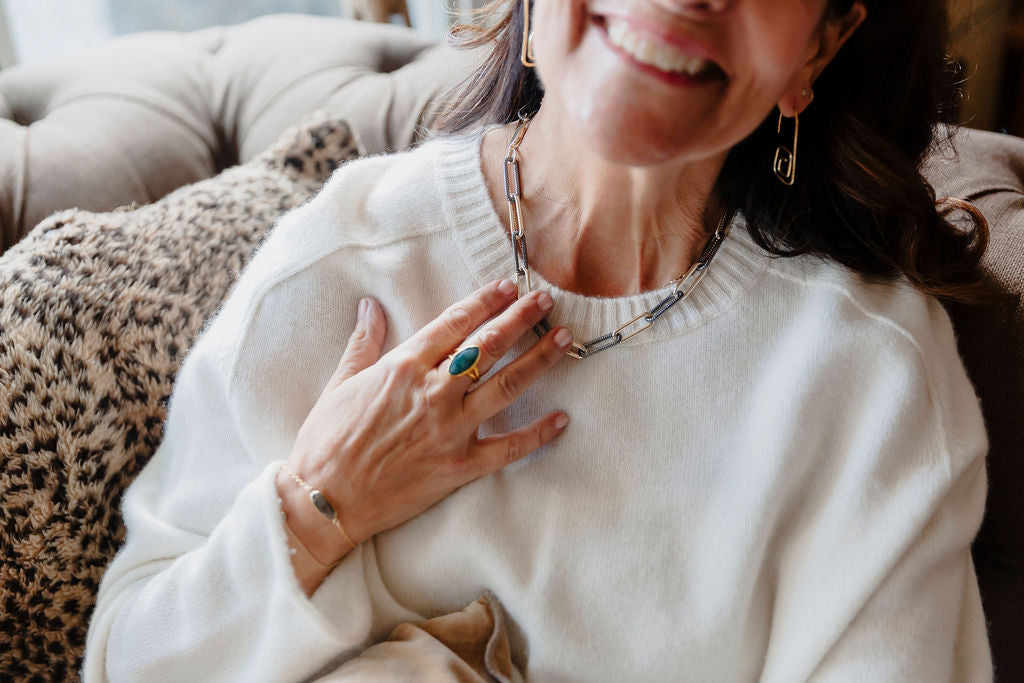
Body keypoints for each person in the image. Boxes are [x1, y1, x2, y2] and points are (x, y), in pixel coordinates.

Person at [84, 0, 995, 680]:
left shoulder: (875, 378)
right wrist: (323, 505)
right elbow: (132, 660)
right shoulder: (338, 267)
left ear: (819, 46)